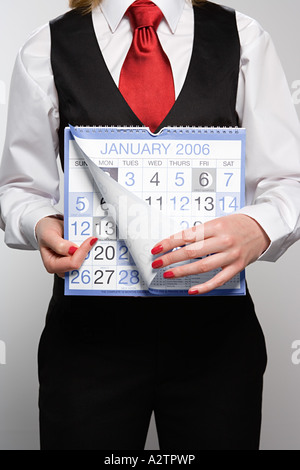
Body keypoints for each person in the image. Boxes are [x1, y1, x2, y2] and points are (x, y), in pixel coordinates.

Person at [0, 0, 300, 451]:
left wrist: (258, 228)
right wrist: (38, 222)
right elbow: (19, 188)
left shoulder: (245, 38)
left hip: (217, 341)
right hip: (87, 344)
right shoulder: (45, 46)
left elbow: (287, 180)